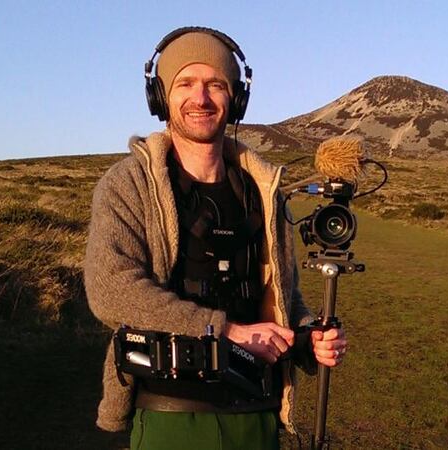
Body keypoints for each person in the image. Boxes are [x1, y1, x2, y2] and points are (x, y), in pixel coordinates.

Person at [84, 26, 347, 449]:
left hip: (256, 414)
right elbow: (110, 291)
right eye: (185, 83)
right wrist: (226, 331)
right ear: (160, 96)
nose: (201, 99)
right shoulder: (127, 184)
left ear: (236, 98)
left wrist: (306, 334)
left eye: (216, 85)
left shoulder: (262, 189)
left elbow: (282, 295)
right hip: (171, 415)